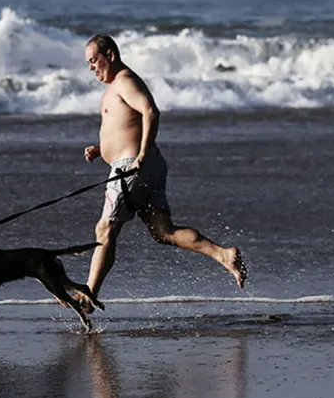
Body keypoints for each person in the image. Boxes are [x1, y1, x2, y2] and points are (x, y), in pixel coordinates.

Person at [81, 34, 245, 298]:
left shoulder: (124, 81)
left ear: (109, 55)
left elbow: (150, 112)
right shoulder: (118, 84)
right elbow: (128, 124)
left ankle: (88, 295)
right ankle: (224, 255)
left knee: (105, 228)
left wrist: (142, 153)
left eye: (93, 60)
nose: (90, 67)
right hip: (146, 167)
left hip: (131, 167)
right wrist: (101, 149)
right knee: (163, 231)